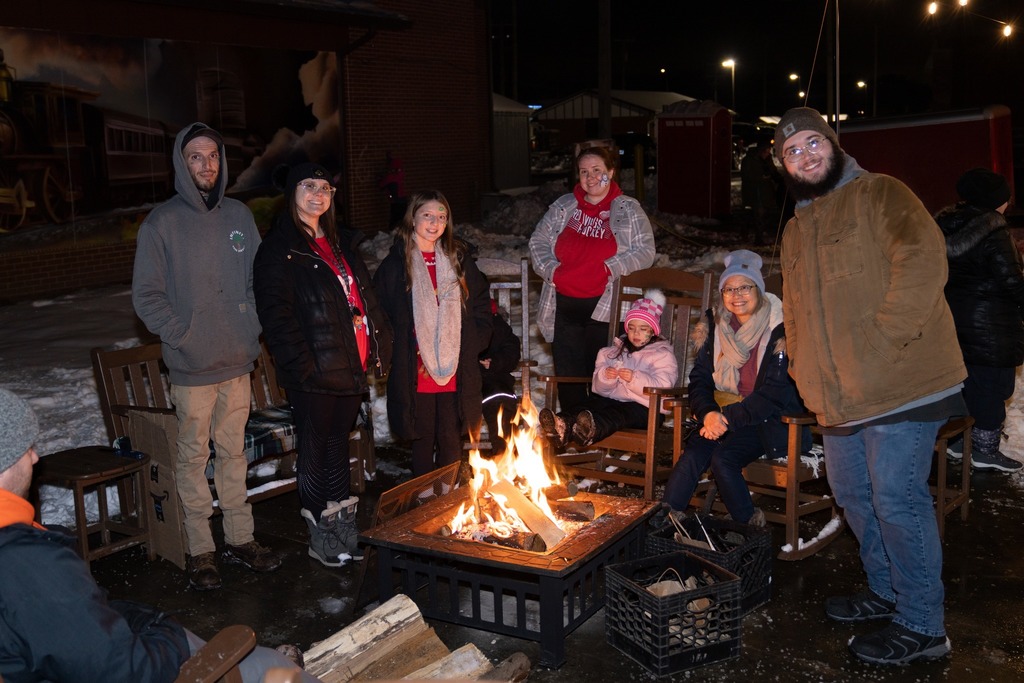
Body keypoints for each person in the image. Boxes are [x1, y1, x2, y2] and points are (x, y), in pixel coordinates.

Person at [776, 107, 967, 665]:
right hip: (838, 394)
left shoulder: (880, 194)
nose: (806, 154)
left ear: (833, 145)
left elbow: (924, 261)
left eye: (813, 142)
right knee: (854, 495)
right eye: (793, 151)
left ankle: (924, 625)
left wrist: (884, 342)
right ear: (783, 166)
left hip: (903, 380)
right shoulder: (795, 228)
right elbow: (797, 307)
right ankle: (887, 591)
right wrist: (800, 366)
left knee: (897, 500)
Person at [0, 388, 318, 683]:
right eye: (26, 448)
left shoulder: (23, 554)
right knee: (273, 670)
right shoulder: (28, 564)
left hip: (109, 647)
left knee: (214, 647)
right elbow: (121, 669)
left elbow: (69, 630)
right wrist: (164, 630)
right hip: (140, 667)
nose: (35, 458)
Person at [132, 122, 281, 591]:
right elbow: (147, 296)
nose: (206, 165)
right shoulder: (162, 223)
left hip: (237, 362)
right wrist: (184, 336)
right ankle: (202, 550)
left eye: (212, 157)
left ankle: (240, 539)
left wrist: (250, 325)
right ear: (181, 162)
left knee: (233, 455)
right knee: (194, 461)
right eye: (195, 157)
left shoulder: (239, 216)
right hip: (193, 369)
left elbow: (260, 279)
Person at [253, 163, 393, 567]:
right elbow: (276, 316)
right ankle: (320, 533)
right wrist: (303, 365)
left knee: (337, 445)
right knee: (316, 448)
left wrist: (380, 343)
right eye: (308, 186)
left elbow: (363, 296)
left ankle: (340, 523)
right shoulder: (280, 248)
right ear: (292, 192)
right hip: (314, 372)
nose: (318, 194)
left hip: (349, 364)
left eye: (326, 188)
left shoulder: (339, 242)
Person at [662, 250, 808, 525]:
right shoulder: (714, 324)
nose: (736, 295)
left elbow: (776, 393)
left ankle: (749, 525)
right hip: (720, 412)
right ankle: (665, 520)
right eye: (729, 289)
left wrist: (725, 418)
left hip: (767, 419)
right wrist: (707, 413)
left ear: (759, 290)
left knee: (723, 459)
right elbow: (700, 378)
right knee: (693, 454)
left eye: (744, 287)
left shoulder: (782, 327)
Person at [372, 190, 492, 476]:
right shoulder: (396, 266)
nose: (434, 222)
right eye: (427, 215)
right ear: (412, 219)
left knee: (451, 436)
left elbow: (480, 307)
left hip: (455, 364)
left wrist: (474, 342)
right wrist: (391, 350)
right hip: (415, 365)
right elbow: (380, 313)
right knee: (422, 435)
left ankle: (448, 499)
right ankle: (424, 497)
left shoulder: (459, 261)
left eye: (441, 216)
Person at [530, 145, 656, 412]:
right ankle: (573, 434)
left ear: (610, 172)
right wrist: (552, 270)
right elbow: (538, 242)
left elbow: (646, 251)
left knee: (604, 378)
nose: (589, 178)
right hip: (563, 306)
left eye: (597, 170)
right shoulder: (564, 206)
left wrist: (609, 268)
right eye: (583, 171)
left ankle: (599, 432)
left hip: (606, 307)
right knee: (569, 379)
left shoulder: (627, 209)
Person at [934, 168, 1023, 473]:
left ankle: (962, 443)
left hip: (953, 321)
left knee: (968, 383)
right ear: (995, 201)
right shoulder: (994, 231)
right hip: (990, 325)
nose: (1008, 204)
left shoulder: (943, 226)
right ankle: (985, 450)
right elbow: (1012, 282)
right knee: (994, 386)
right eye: (1005, 198)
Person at [538, 290, 677, 449]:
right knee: (590, 405)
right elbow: (599, 388)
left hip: (646, 409)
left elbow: (664, 386)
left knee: (616, 414)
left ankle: (590, 430)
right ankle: (561, 425)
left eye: (643, 329)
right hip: (613, 401)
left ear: (653, 331)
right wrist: (606, 377)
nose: (635, 333)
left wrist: (635, 379)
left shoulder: (661, 355)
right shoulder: (614, 351)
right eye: (631, 328)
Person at [479, 296, 522, 456]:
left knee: (501, 403)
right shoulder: (454, 320)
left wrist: (496, 362)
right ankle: (450, 462)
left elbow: (512, 349)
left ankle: (504, 457)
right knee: (448, 409)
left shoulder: (497, 324)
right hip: (462, 383)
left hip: (493, 381)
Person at [740, 140, 779, 245]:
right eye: (766, 151)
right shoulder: (749, 160)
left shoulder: (767, 160)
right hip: (754, 193)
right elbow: (747, 176)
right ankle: (754, 237)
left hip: (765, 193)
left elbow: (774, 172)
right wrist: (761, 178)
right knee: (754, 215)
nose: (768, 153)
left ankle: (757, 236)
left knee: (762, 216)